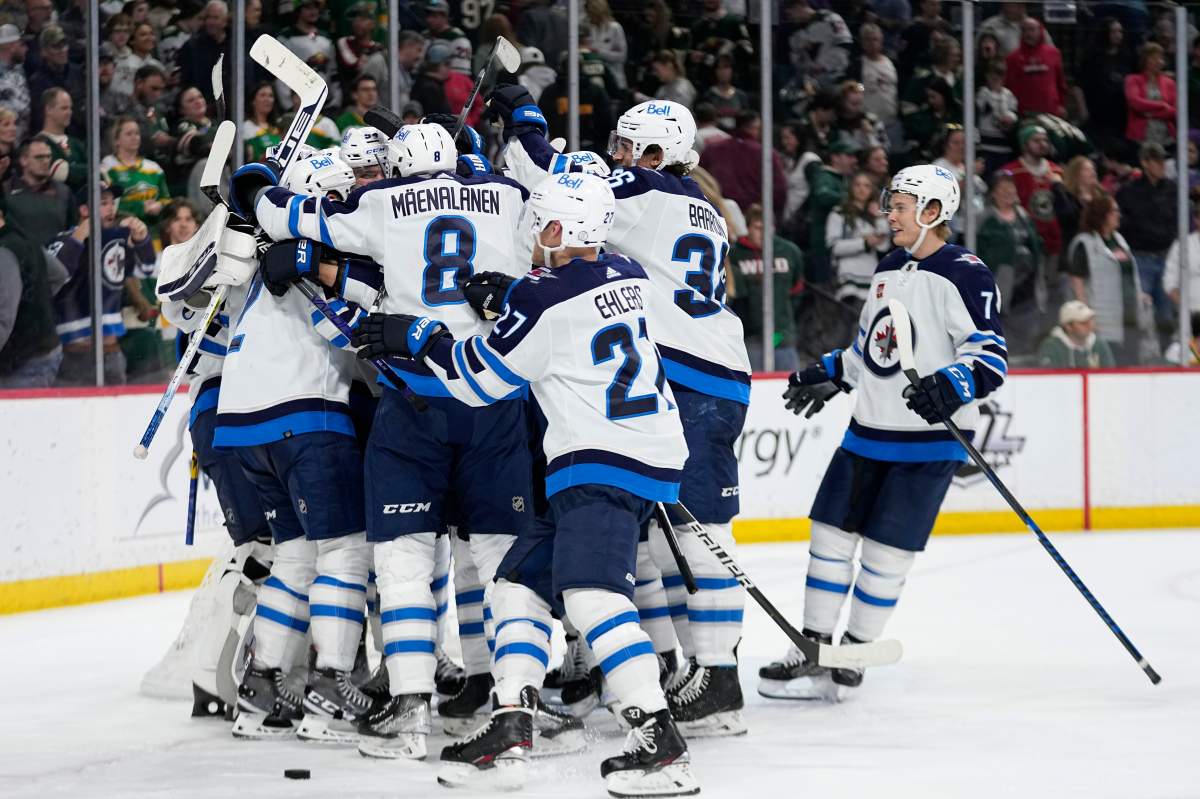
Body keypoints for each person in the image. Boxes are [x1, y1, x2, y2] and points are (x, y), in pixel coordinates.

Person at [382, 174, 696, 795]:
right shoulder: (627, 274)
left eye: (537, 226)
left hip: (600, 457)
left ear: (555, 229)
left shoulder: (541, 298)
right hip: (632, 448)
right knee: (517, 584)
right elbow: (568, 320)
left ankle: (660, 741)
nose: (529, 237)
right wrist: (515, 300)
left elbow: (478, 382)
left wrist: (423, 336)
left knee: (589, 596)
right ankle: (511, 723)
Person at [232, 123, 533, 759]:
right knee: (501, 563)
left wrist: (257, 186)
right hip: (495, 402)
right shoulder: (507, 193)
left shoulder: (381, 203)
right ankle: (517, 710)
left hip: (413, 404)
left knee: (400, 567)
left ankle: (413, 713)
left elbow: (288, 217)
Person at [496, 89, 752, 738]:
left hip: (691, 376)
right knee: (653, 538)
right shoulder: (702, 208)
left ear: (658, 153)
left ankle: (718, 676)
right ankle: (677, 668)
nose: (617, 155)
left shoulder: (644, 190)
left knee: (693, 536)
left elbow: (555, 182)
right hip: (701, 373)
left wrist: (527, 118)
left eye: (626, 145)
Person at [760, 164, 1006, 699]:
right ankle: (812, 646)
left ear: (933, 211)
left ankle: (855, 650)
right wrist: (832, 370)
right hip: (865, 431)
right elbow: (874, 347)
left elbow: (990, 354)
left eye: (901, 204)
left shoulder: (967, 272)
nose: (888, 212)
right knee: (829, 536)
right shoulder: (889, 266)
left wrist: (953, 383)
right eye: (891, 203)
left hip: (927, 441)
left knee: (886, 550)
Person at [49, 181, 155, 386]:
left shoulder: (115, 240)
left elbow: (145, 269)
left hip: (113, 354)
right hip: (74, 357)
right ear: (84, 209)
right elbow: (56, 276)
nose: (111, 208)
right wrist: (81, 234)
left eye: (112, 203)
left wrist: (142, 239)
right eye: (103, 203)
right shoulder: (61, 240)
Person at [1065, 193, 1149, 365]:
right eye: (1114, 211)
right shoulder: (1084, 244)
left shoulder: (1120, 240)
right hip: (1103, 320)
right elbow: (1077, 282)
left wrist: (1139, 295)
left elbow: (1127, 273)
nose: (1119, 215)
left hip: (1129, 317)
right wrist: (1086, 315)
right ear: (1102, 215)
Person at [729, 203, 804, 372]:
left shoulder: (789, 251)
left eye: (767, 228)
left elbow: (797, 292)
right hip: (750, 337)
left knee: (788, 384)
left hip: (784, 336)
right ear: (747, 228)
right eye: (757, 228)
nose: (763, 233)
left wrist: (785, 323)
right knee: (753, 387)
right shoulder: (734, 255)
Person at [1115, 142, 1177, 341]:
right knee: (1138, 315)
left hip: (1166, 257)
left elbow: (1178, 219)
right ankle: (1135, 361)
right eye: (1157, 161)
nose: (1162, 165)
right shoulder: (1128, 191)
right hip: (1140, 258)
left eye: (1163, 160)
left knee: (1166, 315)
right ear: (1145, 163)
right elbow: (1122, 225)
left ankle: (1167, 359)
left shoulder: (1171, 188)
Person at [0, 198, 63, 387]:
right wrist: (34, 302)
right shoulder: (23, 237)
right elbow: (59, 275)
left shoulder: (4, 252)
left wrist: (26, 307)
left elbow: (4, 320)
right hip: (42, 351)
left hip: (24, 361)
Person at [977, 170, 1042, 353]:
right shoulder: (984, 219)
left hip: (1027, 287)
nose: (1008, 192)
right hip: (1000, 287)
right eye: (1003, 188)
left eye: (1010, 188)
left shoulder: (1024, 216)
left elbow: (1036, 247)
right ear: (994, 193)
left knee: (1027, 335)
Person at [1003, 125, 1063, 303]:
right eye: (1037, 140)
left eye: (1045, 140)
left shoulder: (1058, 172)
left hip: (1053, 242)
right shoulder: (1012, 172)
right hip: (1025, 244)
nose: (1043, 144)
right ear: (1024, 144)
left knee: (1053, 293)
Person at [700, 110, 787, 217]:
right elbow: (779, 190)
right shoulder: (766, 154)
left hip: (720, 214)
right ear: (756, 128)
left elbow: (700, 180)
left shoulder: (712, 149)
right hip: (754, 217)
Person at [827, 171, 890, 307]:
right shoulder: (838, 213)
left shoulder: (874, 216)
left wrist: (879, 217)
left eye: (867, 186)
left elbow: (883, 246)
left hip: (871, 277)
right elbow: (834, 248)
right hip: (848, 278)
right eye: (858, 185)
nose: (862, 189)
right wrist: (864, 243)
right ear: (851, 188)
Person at [804, 139, 860, 285]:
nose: (853, 160)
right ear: (835, 157)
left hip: (839, 243)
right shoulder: (824, 176)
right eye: (849, 156)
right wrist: (853, 201)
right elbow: (823, 196)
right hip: (823, 245)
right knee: (826, 285)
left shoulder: (843, 179)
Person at [4, 138, 75, 248]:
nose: (46, 161)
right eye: (39, 157)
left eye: (48, 156)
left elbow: (71, 229)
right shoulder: (6, 191)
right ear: (23, 160)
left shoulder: (64, 192)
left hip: (55, 260)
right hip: (19, 259)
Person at [101, 115, 171, 225]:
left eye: (137, 133)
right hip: (122, 228)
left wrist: (160, 206)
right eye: (129, 134)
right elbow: (107, 204)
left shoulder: (154, 168)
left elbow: (166, 200)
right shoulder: (108, 166)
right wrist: (140, 207)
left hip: (154, 230)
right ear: (116, 140)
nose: (135, 137)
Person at [1005, 16, 1066, 117]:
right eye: (1024, 30)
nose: (1028, 34)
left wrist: (1061, 104)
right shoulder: (1012, 58)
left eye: (1032, 30)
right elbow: (1009, 87)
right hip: (1024, 114)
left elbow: (1061, 83)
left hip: (1051, 112)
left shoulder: (1054, 53)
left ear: (1040, 31)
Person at [1124, 42, 1176, 151]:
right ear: (1145, 60)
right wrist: (1162, 105)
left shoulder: (1170, 83)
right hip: (1140, 139)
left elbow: (1174, 111)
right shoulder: (1133, 79)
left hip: (1167, 139)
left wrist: (1148, 113)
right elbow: (1135, 103)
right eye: (1154, 58)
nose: (1159, 62)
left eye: (1161, 58)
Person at [33, 88, 86, 191]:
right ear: (49, 110)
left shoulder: (77, 143)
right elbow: (58, 173)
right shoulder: (38, 143)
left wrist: (70, 170)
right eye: (64, 108)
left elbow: (98, 171)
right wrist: (84, 170)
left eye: (71, 108)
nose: (69, 112)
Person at [176, 0, 228, 105]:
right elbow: (186, 83)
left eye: (215, 18)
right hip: (203, 107)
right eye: (208, 17)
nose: (210, 22)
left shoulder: (237, 45)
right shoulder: (191, 47)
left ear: (225, 21)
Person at [1038, 300, 1115, 368]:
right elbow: (1049, 380)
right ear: (1068, 327)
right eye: (1083, 323)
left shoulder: (1099, 344)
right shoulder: (1052, 347)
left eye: (1090, 320)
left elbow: (1111, 377)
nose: (1090, 325)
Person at [976, 60, 1018, 174]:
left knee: (1002, 175)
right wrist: (995, 94)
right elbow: (987, 110)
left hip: (1004, 146)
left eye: (999, 77)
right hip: (987, 146)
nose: (995, 80)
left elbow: (1014, 113)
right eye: (992, 77)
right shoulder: (983, 93)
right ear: (987, 77)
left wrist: (1010, 118)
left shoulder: (1008, 94)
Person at [584, 0, 627, 90]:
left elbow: (622, 56)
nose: (589, 17)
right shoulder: (590, 29)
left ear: (597, 12)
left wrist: (599, 53)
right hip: (597, 81)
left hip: (615, 80)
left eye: (590, 14)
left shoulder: (615, 28)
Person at [701, 55, 750, 132]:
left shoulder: (741, 96)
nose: (723, 71)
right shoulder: (708, 96)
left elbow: (746, 121)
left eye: (726, 67)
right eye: (719, 68)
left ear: (732, 70)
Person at [422, 0, 472, 76]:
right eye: (428, 16)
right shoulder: (424, 35)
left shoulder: (458, 39)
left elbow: (461, 74)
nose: (429, 20)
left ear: (445, 17)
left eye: (434, 16)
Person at [0, 23, 31, 139]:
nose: (26, 49)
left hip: (20, 141)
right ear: (12, 46)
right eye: (22, 45)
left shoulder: (19, 70)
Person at [242, 82, 281, 163]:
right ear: (253, 101)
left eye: (271, 96)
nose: (268, 99)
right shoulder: (246, 127)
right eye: (263, 95)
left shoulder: (278, 127)